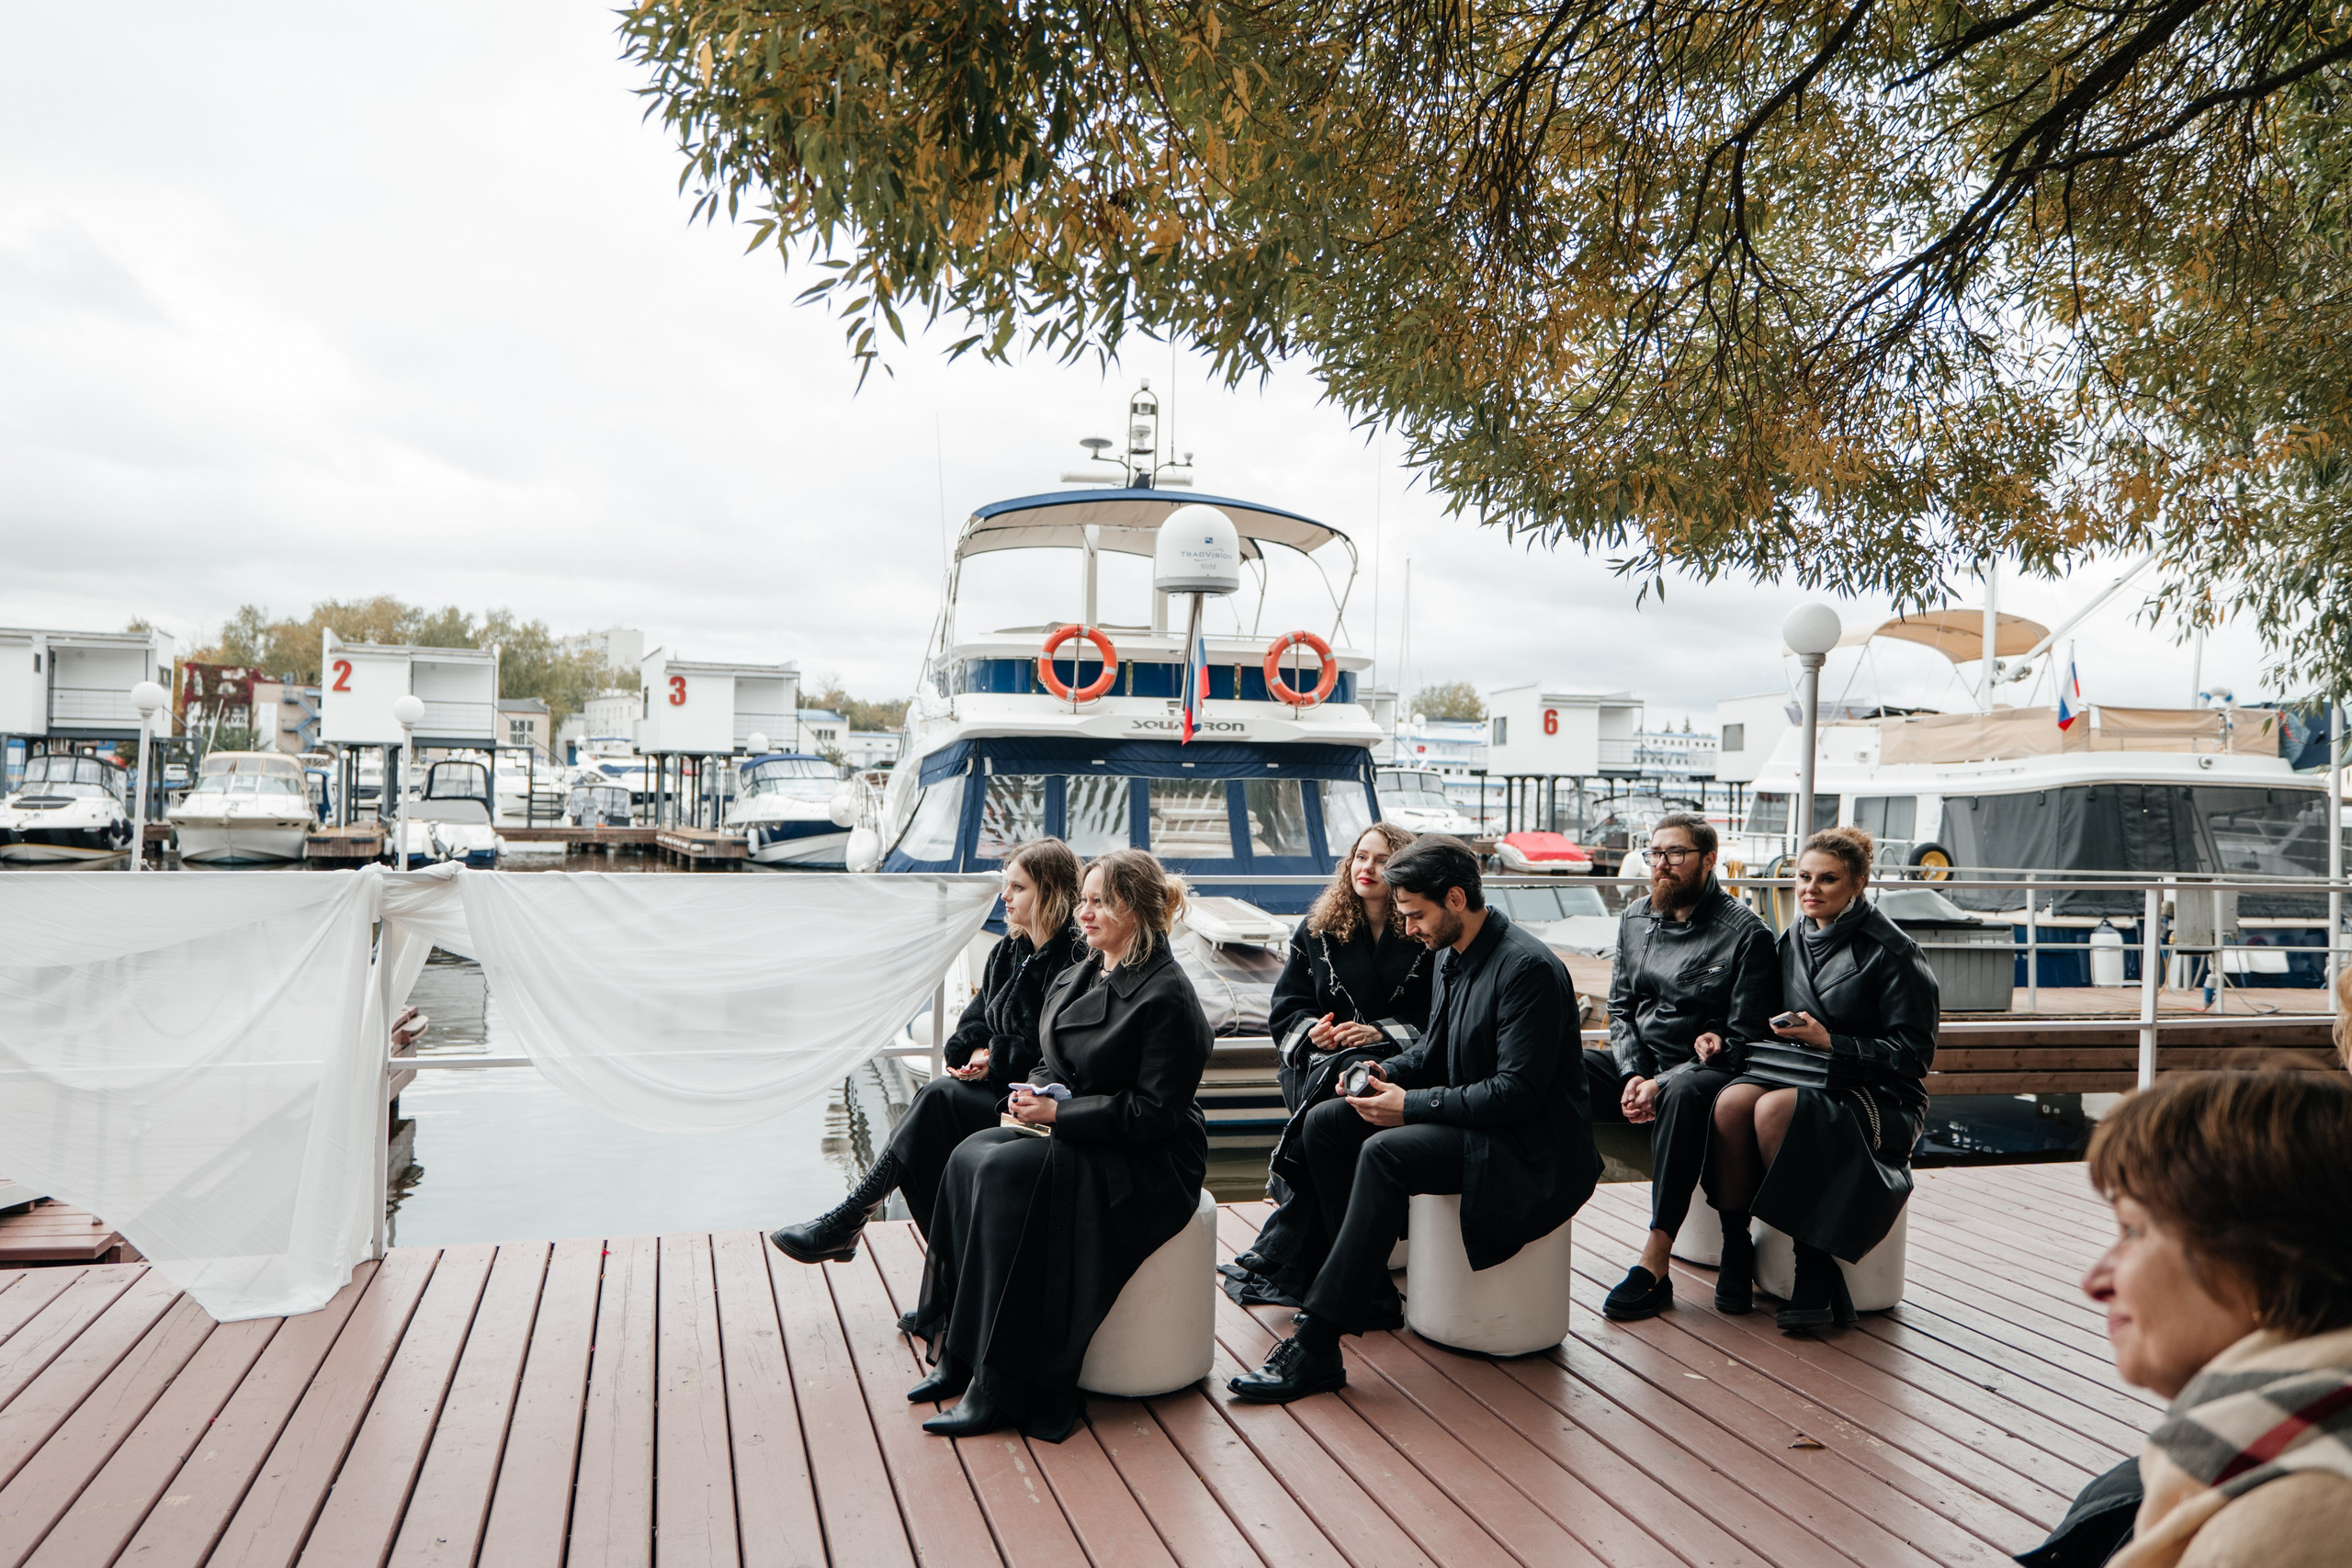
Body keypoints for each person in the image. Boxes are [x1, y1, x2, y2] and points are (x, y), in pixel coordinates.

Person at [1227, 834, 1597, 1404]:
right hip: (1479, 1121)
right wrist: (1381, 1069)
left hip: (1527, 1144)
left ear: (1454, 898)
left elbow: (1516, 1095)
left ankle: (1320, 1343)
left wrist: (1408, 1106)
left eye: (1416, 915)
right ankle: (1369, 1294)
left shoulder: (1528, 970)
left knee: (1384, 1151)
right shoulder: (1454, 954)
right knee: (1326, 1123)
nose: (1409, 930)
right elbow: (1432, 1055)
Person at [907, 849, 1211, 1442]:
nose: (1085, 912)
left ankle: (1001, 1384)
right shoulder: (1084, 971)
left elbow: (1154, 1112)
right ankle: (960, 1352)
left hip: (1147, 1155)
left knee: (1001, 1175)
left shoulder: (1169, 996)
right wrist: (1033, 1093)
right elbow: (1052, 1056)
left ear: (1137, 910)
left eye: (1100, 901)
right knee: (968, 1158)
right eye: (1084, 899)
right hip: (1076, 1126)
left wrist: (1062, 1112)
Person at [2041, 1069, 2352, 1568]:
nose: (2095, 1281)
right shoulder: (2224, 1453)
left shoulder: (2281, 1524)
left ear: (2265, 1261)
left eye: (2133, 1230)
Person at [769, 838, 1088, 1262]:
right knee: (927, 1136)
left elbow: (1059, 1053)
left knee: (935, 1101)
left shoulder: (1076, 958)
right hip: (996, 1090)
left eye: (1018, 887)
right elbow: (971, 1024)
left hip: (1034, 1103)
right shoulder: (1008, 950)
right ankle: (936, 1272)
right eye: (1006, 885)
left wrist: (994, 1054)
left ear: (1049, 892)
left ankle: (852, 1220)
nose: (1004, 895)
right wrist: (974, 1050)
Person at [1706, 825, 1937, 1331]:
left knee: (1772, 1108)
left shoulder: (1892, 951)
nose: (1809, 889)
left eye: (1827, 880)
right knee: (1731, 1103)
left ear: (1858, 884)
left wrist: (1833, 1042)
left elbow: (1915, 1056)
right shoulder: (1792, 939)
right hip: (1806, 1074)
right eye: (1803, 876)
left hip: (1878, 1094)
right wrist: (1720, 1039)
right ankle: (1735, 1245)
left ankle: (1813, 1261)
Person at [1222, 822, 1433, 1308]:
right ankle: (1353, 1276)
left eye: (1382, 860)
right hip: (1316, 1064)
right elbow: (1287, 1007)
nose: (1367, 868)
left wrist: (1379, 1032)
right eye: (1361, 856)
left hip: (1397, 1065)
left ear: (1403, 869)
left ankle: (1288, 1245)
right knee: (1335, 1092)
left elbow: (1437, 1017)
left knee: (1343, 1099)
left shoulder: (1423, 930)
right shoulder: (1318, 929)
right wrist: (1313, 1030)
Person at [1589, 811, 1781, 1321]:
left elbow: (1745, 1042)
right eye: (1655, 853)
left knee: (1681, 1094)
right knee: (1565, 1067)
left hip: (1710, 1071)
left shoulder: (1747, 934)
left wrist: (1661, 1081)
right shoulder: (1634, 918)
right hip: (1643, 1064)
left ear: (1709, 859)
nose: (1662, 865)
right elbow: (1621, 1009)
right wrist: (1632, 1074)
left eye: (1676, 854)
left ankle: (1657, 1263)